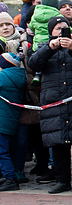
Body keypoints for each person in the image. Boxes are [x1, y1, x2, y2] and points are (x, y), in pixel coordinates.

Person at [28, 16, 72, 194]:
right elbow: (33, 64)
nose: (62, 31)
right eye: (57, 28)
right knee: (58, 142)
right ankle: (62, 181)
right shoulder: (43, 46)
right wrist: (49, 48)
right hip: (54, 101)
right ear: (51, 32)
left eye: (65, 27)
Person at [0, 54, 27, 192]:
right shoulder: (20, 76)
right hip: (11, 119)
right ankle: (9, 176)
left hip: (1, 120)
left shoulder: (3, 76)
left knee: (1, 151)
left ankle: (10, 178)